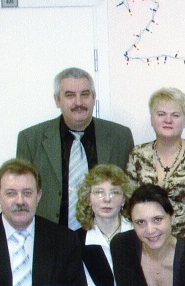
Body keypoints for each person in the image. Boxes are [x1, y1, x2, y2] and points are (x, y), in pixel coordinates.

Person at [17, 67, 134, 228]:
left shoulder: (120, 137)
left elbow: (129, 192)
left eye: (85, 94)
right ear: (57, 100)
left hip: (104, 234)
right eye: (70, 95)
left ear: (93, 97)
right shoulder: (30, 139)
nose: (78, 102)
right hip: (51, 234)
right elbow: (22, 193)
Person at [126, 87, 185, 248]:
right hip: (148, 241)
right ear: (152, 119)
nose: (168, 120)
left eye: (175, 115)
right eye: (161, 114)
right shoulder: (138, 155)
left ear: (184, 120)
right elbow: (128, 202)